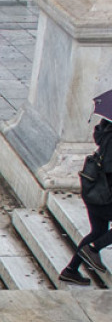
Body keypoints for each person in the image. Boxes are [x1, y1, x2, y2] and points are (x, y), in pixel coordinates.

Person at [59, 119, 112, 285]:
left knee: (98, 230)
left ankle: (70, 271)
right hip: (104, 196)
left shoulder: (105, 131)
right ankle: (93, 249)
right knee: (97, 236)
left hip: (93, 192)